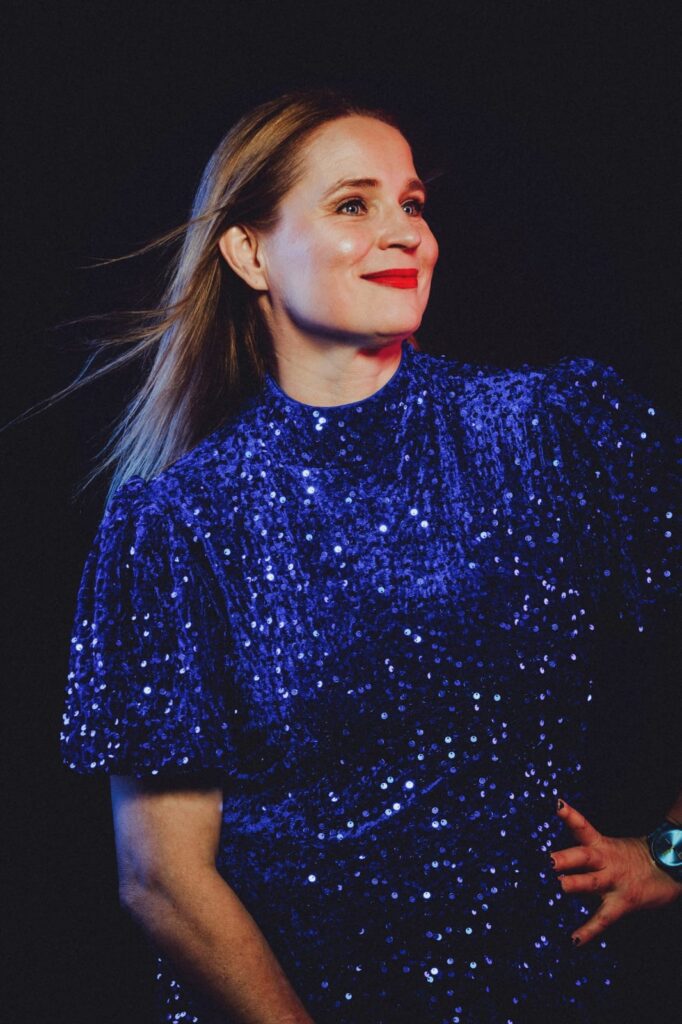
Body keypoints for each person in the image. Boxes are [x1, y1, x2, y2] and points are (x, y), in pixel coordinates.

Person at [60, 90, 681, 1024]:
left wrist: (673, 852)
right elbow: (162, 879)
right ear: (249, 253)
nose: (404, 233)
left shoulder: (547, 430)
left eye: (413, 204)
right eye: (354, 203)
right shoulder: (175, 521)